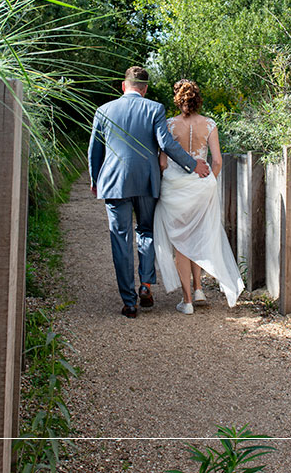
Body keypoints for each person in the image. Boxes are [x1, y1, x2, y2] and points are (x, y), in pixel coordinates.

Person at [89, 66, 210, 318]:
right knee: (146, 230)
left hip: (114, 183)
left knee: (119, 238)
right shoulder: (154, 108)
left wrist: (95, 179)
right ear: (145, 89)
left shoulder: (103, 111)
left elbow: (95, 150)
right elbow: (166, 143)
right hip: (146, 182)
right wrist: (192, 163)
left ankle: (129, 302)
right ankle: (145, 284)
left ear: (124, 86)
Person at [154, 79, 244, 314]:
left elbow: (163, 163)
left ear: (177, 99)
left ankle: (187, 301)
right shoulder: (210, 124)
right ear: (197, 99)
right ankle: (199, 289)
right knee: (196, 235)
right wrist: (207, 182)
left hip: (175, 189)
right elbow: (217, 161)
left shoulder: (168, 125)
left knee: (180, 241)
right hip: (202, 187)